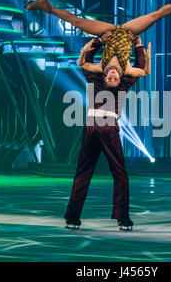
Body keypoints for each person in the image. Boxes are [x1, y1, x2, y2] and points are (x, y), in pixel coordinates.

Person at [25, 0, 171, 84]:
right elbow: (144, 72)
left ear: (105, 78)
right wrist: (145, 55)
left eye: (109, 78)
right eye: (115, 79)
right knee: (155, 15)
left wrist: (91, 46)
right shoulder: (127, 70)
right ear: (119, 78)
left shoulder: (101, 68)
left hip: (107, 33)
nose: (112, 75)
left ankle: (46, 7)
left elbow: (83, 64)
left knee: (77, 22)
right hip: (129, 31)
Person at [63, 36, 151, 231]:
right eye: (112, 76)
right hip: (104, 127)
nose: (112, 75)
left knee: (85, 173)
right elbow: (138, 67)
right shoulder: (118, 83)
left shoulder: (99, 81)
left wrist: (98, 41)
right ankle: (122, 219)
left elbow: (88, 61)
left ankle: (72, 217)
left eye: (114, 77)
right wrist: (137, 44)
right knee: (119, 173)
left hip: (93, 126)